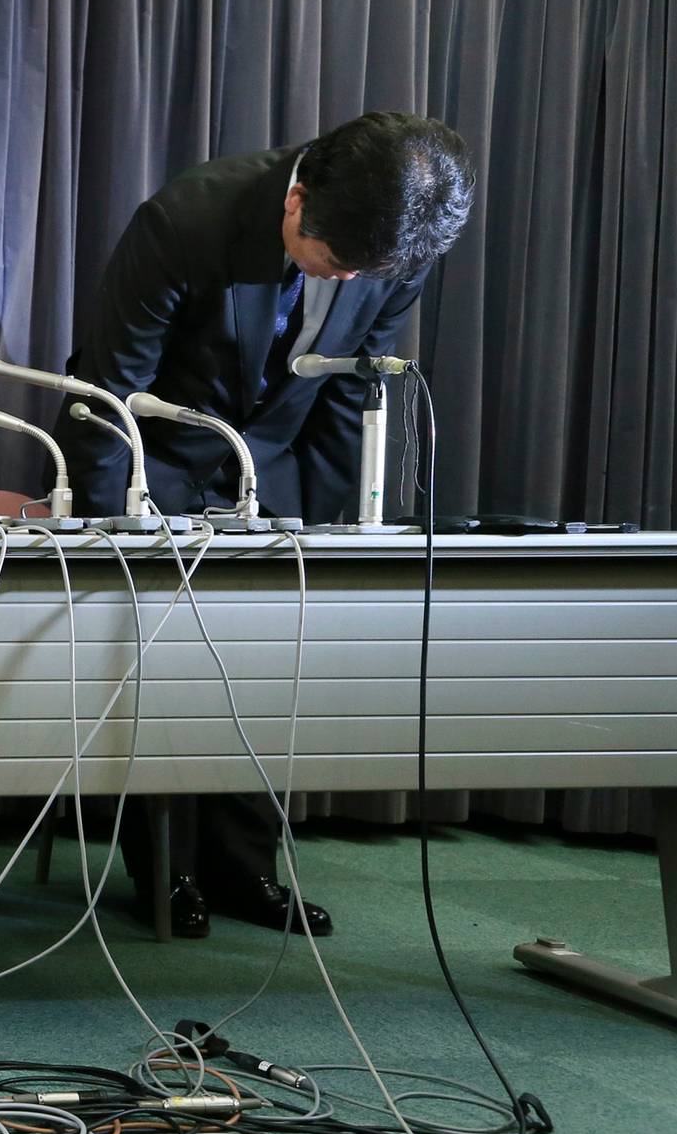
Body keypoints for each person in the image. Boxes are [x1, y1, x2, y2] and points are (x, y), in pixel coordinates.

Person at [63, 111, 476, 936]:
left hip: (278, 469)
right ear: (298, 204)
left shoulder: (395, 248)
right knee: (163, 675)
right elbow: (106, 396)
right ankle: (164, 870)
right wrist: (119, 539)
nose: (355, 284)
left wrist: (324, 537)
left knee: (261, 677)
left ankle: (245, 868)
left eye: (372, 272)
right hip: (158, 462)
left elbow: (349, 390)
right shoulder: (189, 220)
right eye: (339, 265)